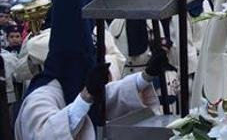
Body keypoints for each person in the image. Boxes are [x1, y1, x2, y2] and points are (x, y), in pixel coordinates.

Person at [15, 53, 168, 140]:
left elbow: (107, 97)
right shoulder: (41, 93)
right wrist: (84, 98)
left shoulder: (72, 81)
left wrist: (146, 76)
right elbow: (45, 135)